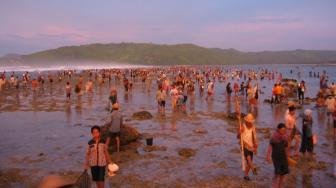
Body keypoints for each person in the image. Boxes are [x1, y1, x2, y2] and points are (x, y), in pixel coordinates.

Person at [267, 123, 289, 188]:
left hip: (283, 156)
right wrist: (268, 156)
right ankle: (274, 186)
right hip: (276, 157)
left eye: (284, 130)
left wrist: (287, 156)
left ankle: (280, 186)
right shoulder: (274, 137)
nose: (283, 132)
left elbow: (286, 147)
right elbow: (270, 147)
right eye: (282, 130)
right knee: (277, 172)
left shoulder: (285, 137)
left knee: (283, 173)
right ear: (278, 129)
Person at [239, 113, 258, 181]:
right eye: (249, 122)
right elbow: (238, 137)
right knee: (249, 160)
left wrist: (255, 146)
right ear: (246, 122)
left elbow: (254, 137)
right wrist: (239, 132)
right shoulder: (243, 127)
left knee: (249, 163)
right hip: (245, 146)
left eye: (251, 122)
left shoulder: (253, 127)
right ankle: (253, 168)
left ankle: (246, 175)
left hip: (251, 146)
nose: (250, 123)